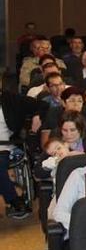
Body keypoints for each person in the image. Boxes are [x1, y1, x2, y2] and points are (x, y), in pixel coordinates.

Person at [0, 88, 44, 218]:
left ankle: (13, 199)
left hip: (4, 146)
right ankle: (13, 197)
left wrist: (37, 116)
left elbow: (42, 105)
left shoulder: (11, 99)